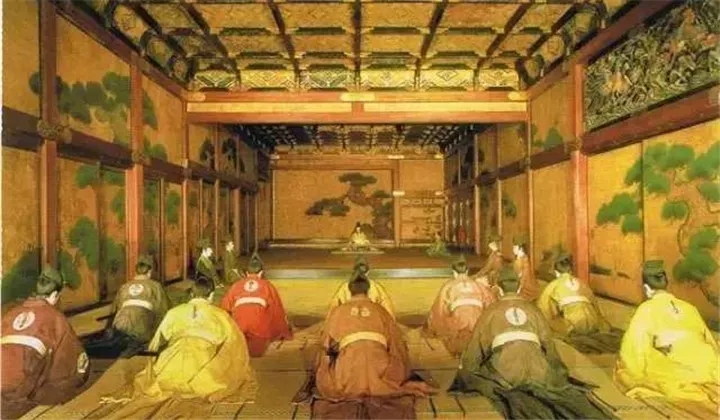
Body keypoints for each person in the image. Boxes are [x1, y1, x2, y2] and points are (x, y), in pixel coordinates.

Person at [448, 266, 615, 419]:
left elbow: (475, 352)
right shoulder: (533, 310)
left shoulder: (491, 312)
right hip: (539, 371)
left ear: (498, 289)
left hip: (507, 374)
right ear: (519, 287)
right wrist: (556, 371)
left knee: (481, 370)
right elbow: (549, 346)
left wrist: (465, 372)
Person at [106, 276, 256, 417]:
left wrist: (155, 364)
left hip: (169, 366)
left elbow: (156, 343)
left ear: (192, 294)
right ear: (211, 295)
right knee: (217, 377)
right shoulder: (221, 315)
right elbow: (235, 344)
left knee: (159, 381)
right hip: (203, 370)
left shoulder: (174, 312)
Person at [310, 272, 435, 418]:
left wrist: (323, 371)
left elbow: (325, 345)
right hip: (380, 368)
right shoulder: (380, 310)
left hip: (348, 371)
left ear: (349, 290)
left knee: (330, 377)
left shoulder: (339, 311)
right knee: (390, 370)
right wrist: (402, 371)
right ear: (368, 290)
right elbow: (396, 344)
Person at [614, 260, 719, 405]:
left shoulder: (646, 310)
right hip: (708, 362)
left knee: (627, 370)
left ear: (646, 288)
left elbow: (634, 347)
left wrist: (632, 369)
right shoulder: (689, 307)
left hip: (678, 367)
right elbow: (709, 341)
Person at [1, 267, 90, 418]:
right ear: (55, 295)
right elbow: (73, 359)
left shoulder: (11, 313)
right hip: (24, 387)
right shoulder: (56, 318)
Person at [85, 255, 172, 359]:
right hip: (141, 331)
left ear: (136, 270)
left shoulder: (124, 287)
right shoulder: (156, 287)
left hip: (119, 327)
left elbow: (114, 311)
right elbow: (164, 313)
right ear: (150, 271)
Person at [536, 251, 622, 353]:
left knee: (549, 323)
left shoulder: (553, 286)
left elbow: (543, 310)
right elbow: (596, 309)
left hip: (573, 326)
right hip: (593, 323)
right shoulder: (582, 284)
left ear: (556, 272)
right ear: (571, 270)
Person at [220, 251, 293, 357]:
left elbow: (224, 308)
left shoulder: (236, 285)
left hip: (239, 330)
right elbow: (277, 311)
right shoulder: (267, 286)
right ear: (261, 273)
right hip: (260, 331)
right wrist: (284, 330)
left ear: (246, 273)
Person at [425, 255, 497, 356]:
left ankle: (459, 350)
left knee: (443, 321)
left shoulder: (448, 286)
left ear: (454, 272)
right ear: (467, 271)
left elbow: (439, 311)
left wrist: (433, 329)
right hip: (478, 326)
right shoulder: (479, 286)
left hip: (458, 327)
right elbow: (491, 305)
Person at [327, 256, 396, 319]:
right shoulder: (376, 287)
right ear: (368, 272)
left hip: (350, 320)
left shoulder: (344, 287)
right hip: (371, 321)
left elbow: (333, 309)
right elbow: (388, 310)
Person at [513, 235, 539, 302]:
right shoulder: (519, 259)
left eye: (515, 247)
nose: (513, 249)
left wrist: (517, 290)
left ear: (521, 248)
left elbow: (524, 277)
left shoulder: (524, 260)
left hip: (525, 289)